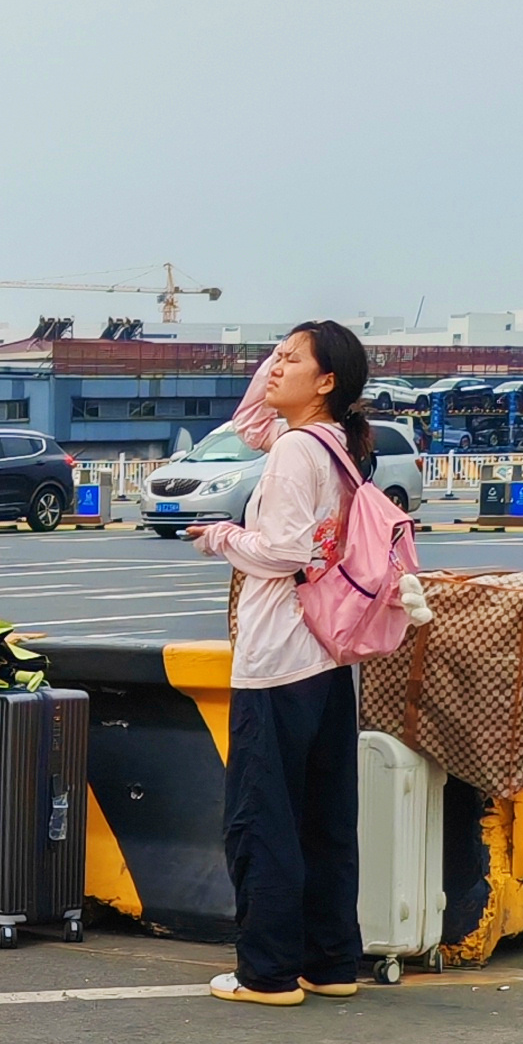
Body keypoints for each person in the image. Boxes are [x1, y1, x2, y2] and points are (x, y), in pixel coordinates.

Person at [189, 322, 369, 1005]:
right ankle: (328, 963)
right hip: (326, 654)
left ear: (327, 382)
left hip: (278, 658)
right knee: (323, 820)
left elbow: (285, 551)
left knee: (262, 819)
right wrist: (293, 349)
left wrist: (220, 536)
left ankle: (266, 971)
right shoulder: (338, 442)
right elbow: (248, 418)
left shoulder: (297, 448)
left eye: (291, 361)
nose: (274, 370)